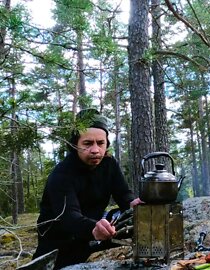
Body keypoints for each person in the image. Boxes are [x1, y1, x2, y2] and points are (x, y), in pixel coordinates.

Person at [33, 108, 142, 269]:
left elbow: (123, 194)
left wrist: (134, 204)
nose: (95, 150)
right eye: (87, 143)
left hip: (88, 240)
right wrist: (94, 228)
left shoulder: (109, 164)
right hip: (56, 248)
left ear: (107, 143)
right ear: (75, 144)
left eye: (100, 143)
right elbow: (69, 217)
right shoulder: (62, 173)